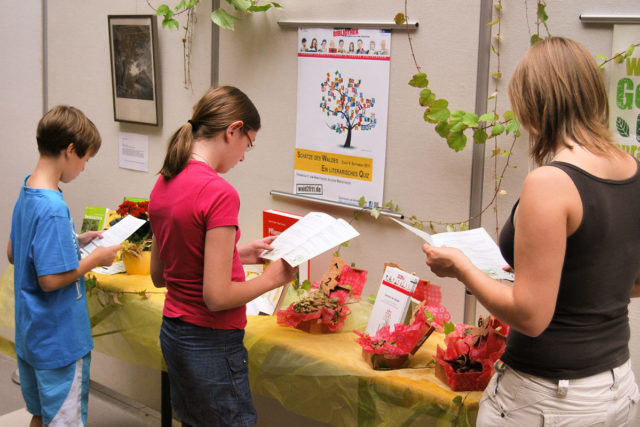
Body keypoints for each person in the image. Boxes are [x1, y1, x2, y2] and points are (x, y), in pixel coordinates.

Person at [422, 36, 640, 425]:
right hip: (615, 387)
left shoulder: (551, 182)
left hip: (548, 398)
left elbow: (531, 316)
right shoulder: (631, 168)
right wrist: (548, 278)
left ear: (534, 105)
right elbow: (626, 278)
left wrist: (462, 268)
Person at [149, 86, 297, 427]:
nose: (244, 155)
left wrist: (237, 254)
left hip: (175, 335)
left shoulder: (165, 179)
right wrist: (272, 278)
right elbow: (216, 297)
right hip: (211, 343)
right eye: (248, 143)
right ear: (233, 130)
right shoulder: (218, 192)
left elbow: (162, 274)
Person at [7, 105, 121, 427]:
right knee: (63, 420)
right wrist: (95, 259)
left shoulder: (29, 188)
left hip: (32, 336)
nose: (83, 168)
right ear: (70, 150)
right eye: (85, 160)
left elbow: (15, 252)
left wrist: (75, 240)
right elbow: (49, 280)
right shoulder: (55, 207)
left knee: (41, 415)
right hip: (59, 342)